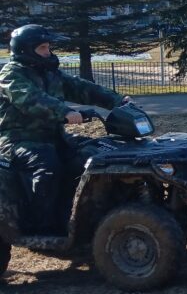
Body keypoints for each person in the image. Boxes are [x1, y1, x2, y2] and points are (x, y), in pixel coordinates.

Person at [0, 25, 129, 235]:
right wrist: (64, 112)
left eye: (48, 47)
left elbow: (81, 87)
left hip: (54, 137)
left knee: (95, 155)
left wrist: (118, 100)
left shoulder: (50, 74)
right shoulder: (11, 75)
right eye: (42, 48)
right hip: (19, 140)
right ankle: (41, 226)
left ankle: (80, 213)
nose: (48, 52)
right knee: (47, 167)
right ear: (25, 50)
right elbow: (30, 99)